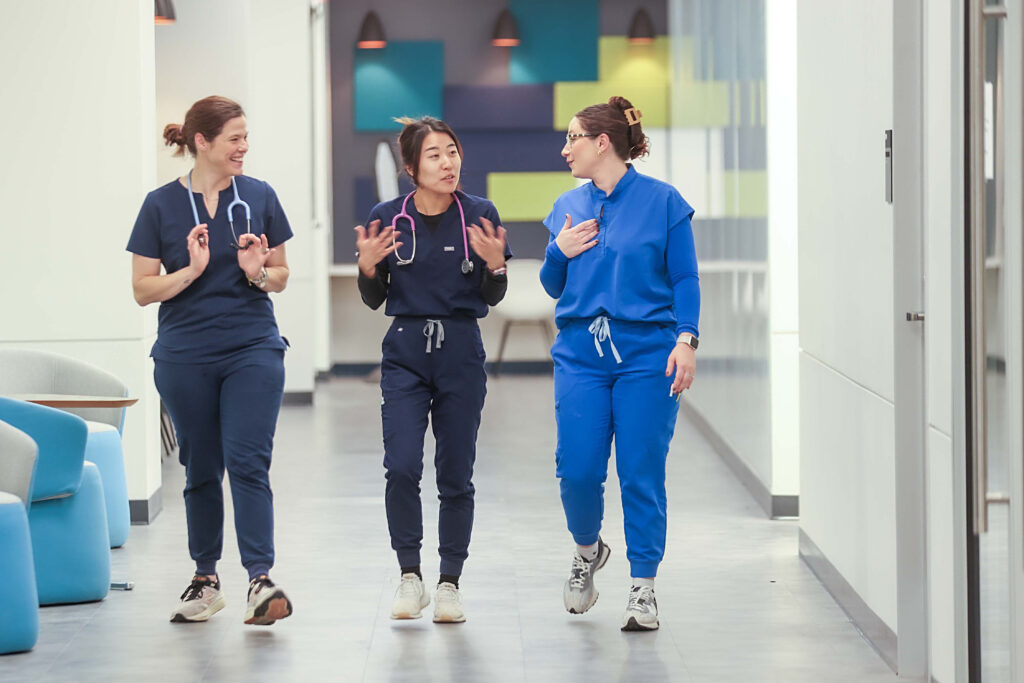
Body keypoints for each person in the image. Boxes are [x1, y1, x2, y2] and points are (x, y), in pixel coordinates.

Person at [127, 95, 294, 626]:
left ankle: (260, 580)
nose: (245, 147)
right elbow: (142, 289)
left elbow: (282, 275)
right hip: (183, 355)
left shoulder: (261, 196)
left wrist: (255, 272)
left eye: (246, 137)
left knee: (248, 460)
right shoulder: (159, 205)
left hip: (253, 347)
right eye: (235, 138)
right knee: (200, 468)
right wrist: (191, 272)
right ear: (202, 142)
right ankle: (205, 579)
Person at [539, 96, 700, 631]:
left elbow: (685, 280)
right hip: (581, 353)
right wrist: (558, 250)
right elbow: (551, 285)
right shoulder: (568, 203)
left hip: (646, 355)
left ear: (601, 142)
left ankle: (643, 588)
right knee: (577, 471)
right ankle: (588, 551)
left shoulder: (664, 203)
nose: (566, 149)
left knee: (640, 471)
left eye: (573, 138)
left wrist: (686, 339)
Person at [355, 116, 511, 623]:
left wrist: (496, 266)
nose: (448, 163)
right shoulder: (388, 216)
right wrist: (367, 268)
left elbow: (493, 294)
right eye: (434, 155)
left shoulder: (480, 213)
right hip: (404, 349)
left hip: (461, 350)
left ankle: (449, 582)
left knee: (455, 472)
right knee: (401, 465)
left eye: (452, 151)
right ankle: (409, 576)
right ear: (410, 167)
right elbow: (375, 299)